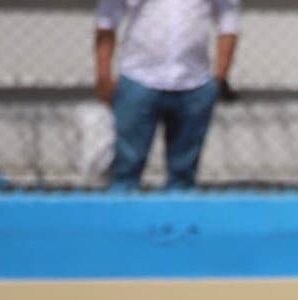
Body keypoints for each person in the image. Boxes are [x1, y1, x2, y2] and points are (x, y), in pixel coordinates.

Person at [94, 0, 241, 190]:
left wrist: (220, 75)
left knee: (184, 172)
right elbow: (106, 21)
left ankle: (178, 217)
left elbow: (229, 19)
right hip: (138, 79)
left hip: (194, 83)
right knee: (126, 167)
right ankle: (123, 216)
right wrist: (103, 75)